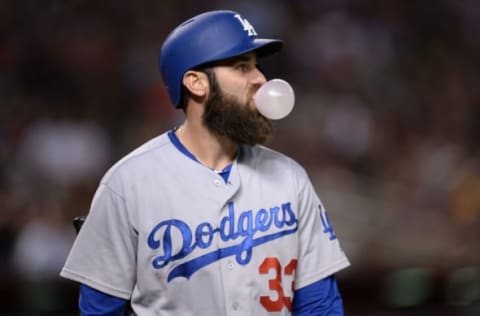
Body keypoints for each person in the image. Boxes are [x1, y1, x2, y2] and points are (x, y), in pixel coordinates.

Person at [60, 10, 350, 315]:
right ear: (196, 82)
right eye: (241, 67)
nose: (261, 79)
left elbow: (319, 304)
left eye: (257, 66)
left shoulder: (290, 177)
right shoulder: (127, 183)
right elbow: (99, 310)